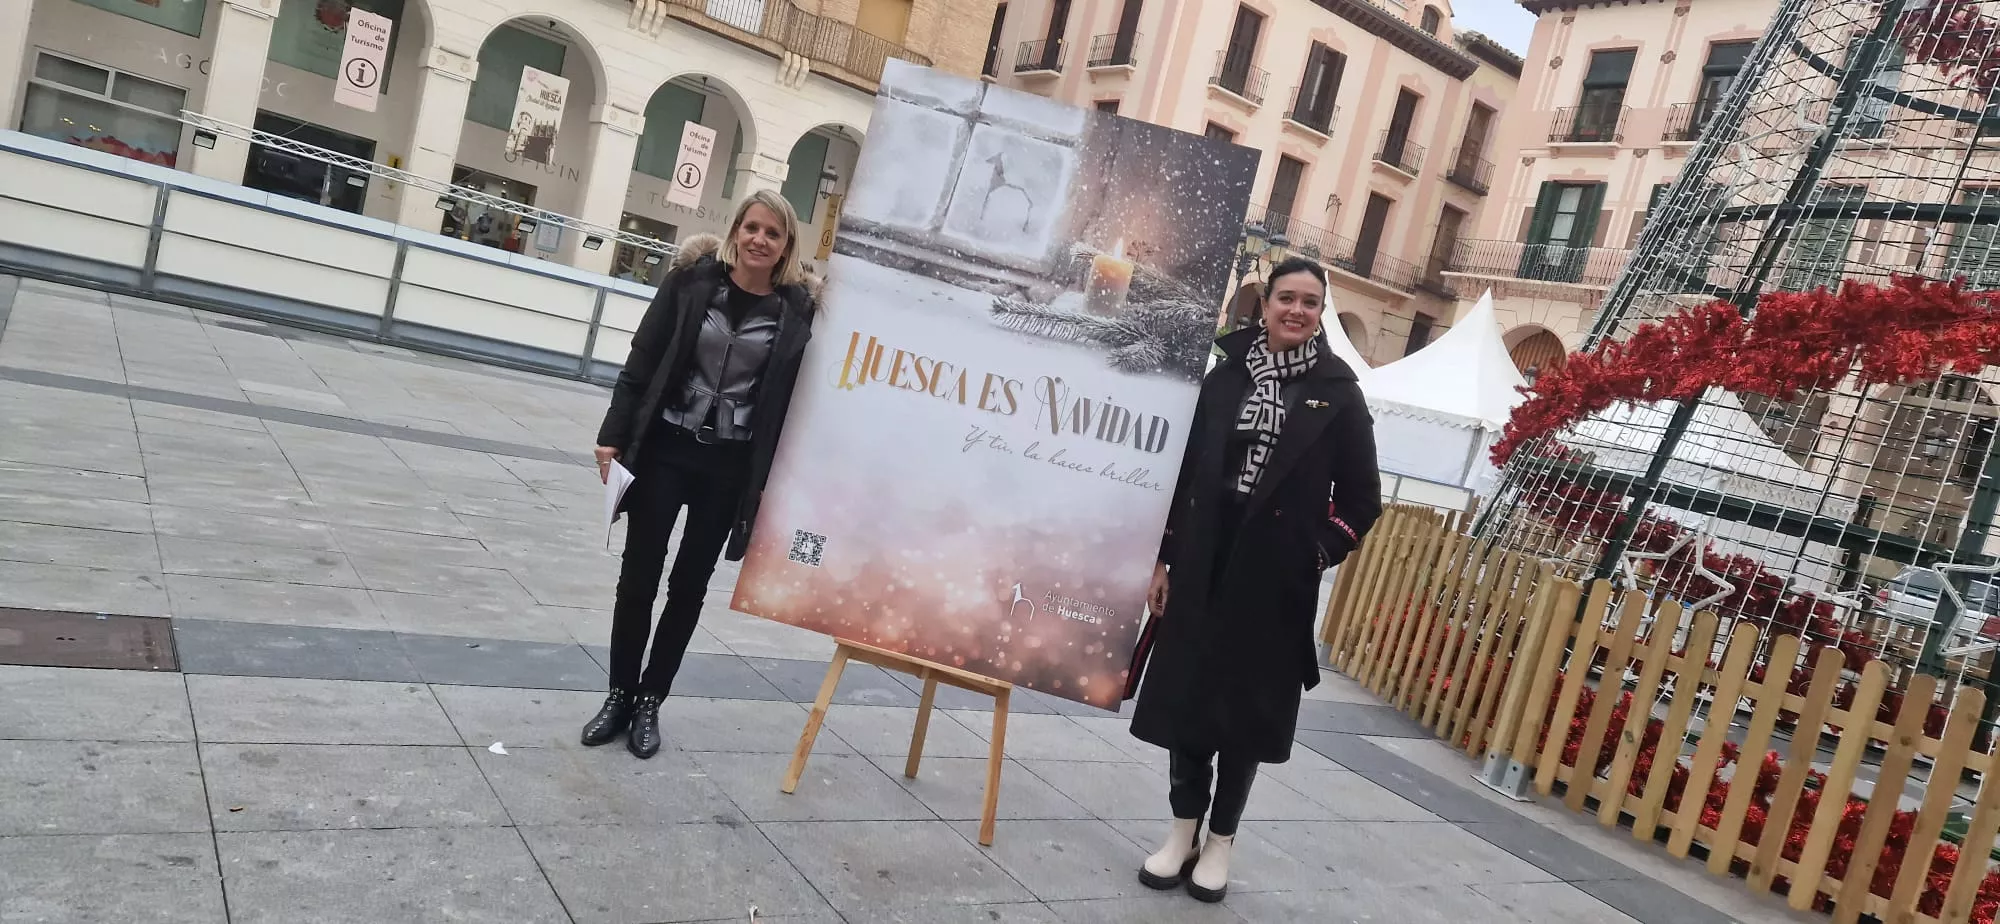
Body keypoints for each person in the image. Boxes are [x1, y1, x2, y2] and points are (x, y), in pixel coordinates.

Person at [1128, 257, 1380, 901]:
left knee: (1245, 716)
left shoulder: (1339, 392)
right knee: (1187, 702)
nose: (1297, 310)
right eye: (1287, 298)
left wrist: (1316, 554)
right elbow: (1181, 477)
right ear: (1264, 304)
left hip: (1274, 585)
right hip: (1203, 567)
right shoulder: (1222, 380)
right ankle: (1182, 830)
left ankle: (1221, 842)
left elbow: (1361, 500)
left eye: (1311, 303)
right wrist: (1163, 559)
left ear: (1321, 314)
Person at [581, 189, 819, 758]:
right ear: (736, 229)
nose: (760, 240)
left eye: (774, 233)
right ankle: (618, 693)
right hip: (664, 449)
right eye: (752, 227)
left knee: (688, 588)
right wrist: (612, 435)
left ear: (786, 246)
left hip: (728, 468)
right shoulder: (691, 285)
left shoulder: (795, 313)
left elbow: (796, 401)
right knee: (638, 577)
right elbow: (641, 360)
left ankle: (649, 703)